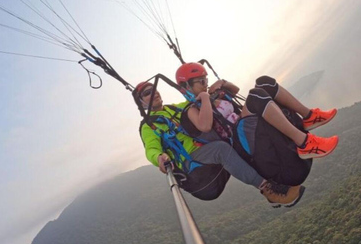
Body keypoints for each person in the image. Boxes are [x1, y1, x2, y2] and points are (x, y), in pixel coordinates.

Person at [134, 81, 305, 207]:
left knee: (228, 131)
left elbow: (198, 101)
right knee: (221, 149)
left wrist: (217, 87)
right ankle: (267, 188)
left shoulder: (175, 108)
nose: (154, 93)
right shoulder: (148, 126)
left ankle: (272, 170)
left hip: (204, 146)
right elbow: (151, 148)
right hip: (190, 160)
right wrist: (159, 158)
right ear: (141, 103)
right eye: (148, 93)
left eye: (154, 89)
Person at [175, 62, 339, 185]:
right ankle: (304, 143)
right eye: (200, 81)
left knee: (264, 82)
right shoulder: (191, 110)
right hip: (240, 143)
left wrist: (223, 83)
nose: (205, 84)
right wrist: (204, 98)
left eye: (205, 79)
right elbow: (204, 126)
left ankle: (309, 116)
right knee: (255, 97)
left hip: (244, 129)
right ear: (186, 87)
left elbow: (235, 90)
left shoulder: (214, 95)